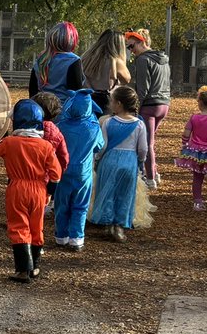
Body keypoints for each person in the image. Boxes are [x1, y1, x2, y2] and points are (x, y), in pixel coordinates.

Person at [0, 100, 63, 284]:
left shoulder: (10, 142)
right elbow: (56, 173)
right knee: (35, 226)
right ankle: (36, 267)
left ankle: (23, 269)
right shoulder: (46, 146)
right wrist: (49, 192)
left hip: (17, 188)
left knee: (19, 226)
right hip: (39, 189)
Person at [89, 85, 148, 243]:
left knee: (107, 191)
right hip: (129, 161)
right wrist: (140, 160)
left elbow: (103, 145)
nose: (110, 104)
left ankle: (107, 221)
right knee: (125, 194)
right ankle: (119, 225)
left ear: (119, 104)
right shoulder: (139, 124)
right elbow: (143, 148)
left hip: (109, 160)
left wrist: (96, 160)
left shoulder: (108, 123)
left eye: (112, 101)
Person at [53, 90, 106, 251]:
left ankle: (61, 236)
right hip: (84, 173)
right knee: (80, 205)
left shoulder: (60, 125)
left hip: (63, 171)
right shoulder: (93, 127)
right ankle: (76, 238)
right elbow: (99, 146)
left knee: (62, 204)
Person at [127, 29, 170, 190]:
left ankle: (150, 179)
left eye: (131, 47)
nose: (131, 51)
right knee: (151, 141)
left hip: (150, 106)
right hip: (164, 104)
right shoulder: (163, 59)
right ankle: (155, 173)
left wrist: (135, 107)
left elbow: (142, 88)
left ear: (141, 42)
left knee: (147, 143)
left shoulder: (143, 59)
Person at [31, 91, 70, 216]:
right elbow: (63, 157)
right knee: (39, 205)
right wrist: (59, 174)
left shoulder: (28, 129)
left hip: (25, 172)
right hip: (45, 177)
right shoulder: (57, 132)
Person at [79, 29, 131, 116]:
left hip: (85, 99)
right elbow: (127, 79)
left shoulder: (86, 57)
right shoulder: (115, 61)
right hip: (105, 103)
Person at [30, 21, 83, 103]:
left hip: (41, 110)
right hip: (64, 111)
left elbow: (32, 91)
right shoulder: (73, 61)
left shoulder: (41, 60)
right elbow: (76, 93)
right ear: (72, 40)